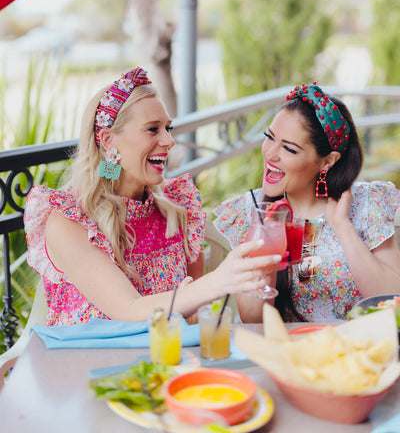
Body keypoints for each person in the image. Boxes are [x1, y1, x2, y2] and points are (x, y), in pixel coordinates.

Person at [24, 66, 279, 326]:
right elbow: (128, 309)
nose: (169, 141)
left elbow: (189, 319)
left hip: (163, 363)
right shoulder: (70, 220)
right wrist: (219, 280)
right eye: (152, 129)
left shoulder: (178, 209)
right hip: (83, 364)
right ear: (108, 140)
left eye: (168, 128)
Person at [214, 82, 400, 323]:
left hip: (361, 350)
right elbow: (253, 320)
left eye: (289, 149)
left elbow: (391, 300)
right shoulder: (254, 211)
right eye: (269, 137)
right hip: (292, 353)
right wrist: (268, 247)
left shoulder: (366, 204)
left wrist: (342, 226)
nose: (270, 154)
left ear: (327, 162)